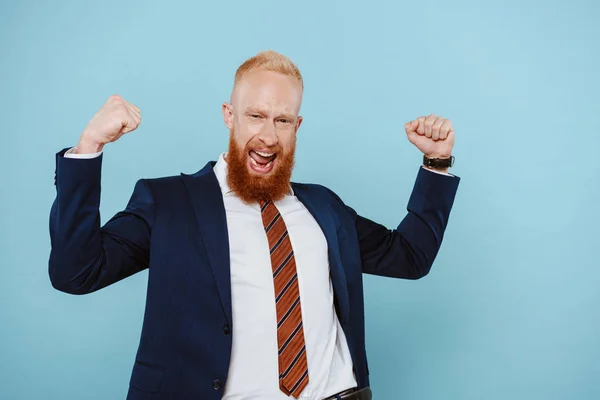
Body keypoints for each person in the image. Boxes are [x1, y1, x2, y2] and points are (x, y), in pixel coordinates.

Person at [48, 50, 460, 400]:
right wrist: (89, 147)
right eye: (256, 115)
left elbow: (411, 257)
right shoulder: (168, 203)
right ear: (230, 116)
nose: (268, 135)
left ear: (297, 127)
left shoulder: (323, 207)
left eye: (282, 121)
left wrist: (436, 162)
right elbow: (76, 273)